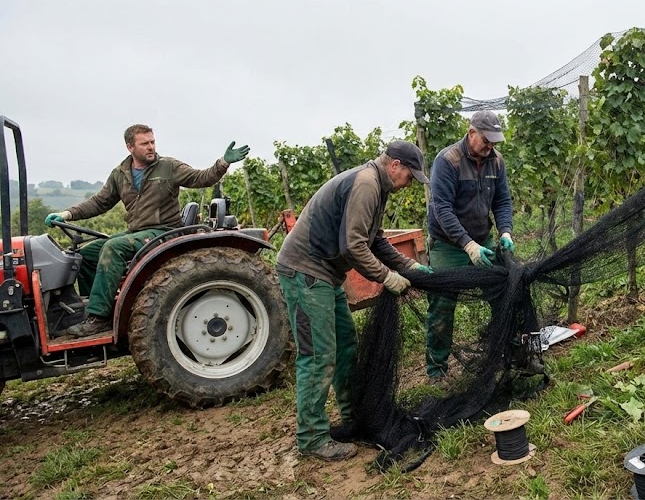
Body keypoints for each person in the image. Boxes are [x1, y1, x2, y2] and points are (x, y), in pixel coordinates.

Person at [275, 140, 432, 461]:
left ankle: (352, 418)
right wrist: (388, 277)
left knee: (345, 343)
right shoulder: (367, 184)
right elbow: (353, 247)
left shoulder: (377, 185)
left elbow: (374, 240)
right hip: (304, 271)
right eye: (409, 176)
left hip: (325, 274)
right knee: (318, 355)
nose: (408, 184)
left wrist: (408, 266)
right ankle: (312, 437)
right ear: (395, 166)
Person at [44, 124, 249, 337]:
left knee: (114, 248)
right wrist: (67, 214)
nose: (151, 147)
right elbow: (100, 202)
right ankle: (96, 312)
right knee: (85, 255)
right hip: (137, 233)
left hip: (163, 232)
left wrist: (223, 163)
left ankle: (99, 318)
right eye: (145, 143)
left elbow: (201, 178)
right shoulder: (120, 174)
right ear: (130, 147)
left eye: (152, 142)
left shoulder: (168, 167)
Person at [424, 110, 514, 381]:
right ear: (471, 132)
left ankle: (504, 351)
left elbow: (502, 201)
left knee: (502, 292)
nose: (490, 147)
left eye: (494, 142)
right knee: (442, 305)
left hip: (483, 239)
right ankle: (436, 371)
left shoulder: (496, 162)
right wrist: (467, 245)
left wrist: (506, 231)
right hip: (449, 245)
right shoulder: (447, 161)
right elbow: (442, 209)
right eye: (487, 140)